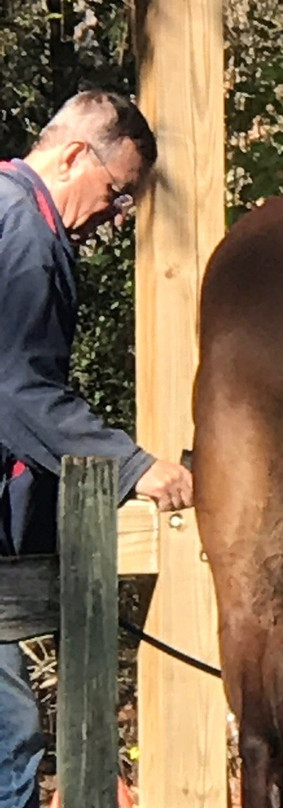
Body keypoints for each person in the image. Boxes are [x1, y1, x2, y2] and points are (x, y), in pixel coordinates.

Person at [0, 89, 193, 808]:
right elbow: (18, 390)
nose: (118, 215)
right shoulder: (22, 228)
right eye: (117, 191)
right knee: (10, 733)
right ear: (75, 154)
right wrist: (136, 467)